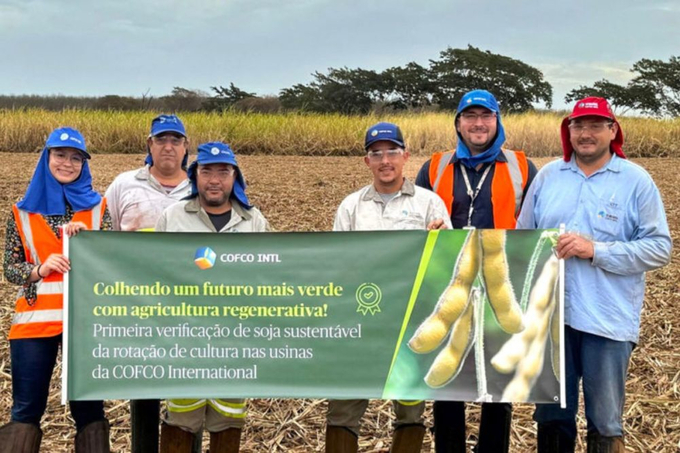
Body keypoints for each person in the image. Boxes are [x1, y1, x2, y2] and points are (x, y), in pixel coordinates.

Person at [516, 97, 672, 453]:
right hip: (552, 321)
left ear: (612, 130)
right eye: (578, 126)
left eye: (595, 125)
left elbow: (659, 248)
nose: (586, 134)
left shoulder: (635, 181)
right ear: (568, 131)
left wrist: (597, 251)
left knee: (605, 423)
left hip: (607, 320)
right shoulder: (548, 177)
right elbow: (523, 240)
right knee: (552, 418)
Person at [415, 89, 537, 453]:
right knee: (445, 383)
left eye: (486, 116)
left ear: (498, 121)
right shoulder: (435, 166)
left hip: (502, 280)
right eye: (470, 117)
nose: (478, 124)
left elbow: (535, 224)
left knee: (497, 382)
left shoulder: (522, 167)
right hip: (448, 281)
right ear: (458, 123)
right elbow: (419, 215)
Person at [326, 122, 451, 453]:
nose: (385, 160)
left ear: (405, 156)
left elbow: (447, 263)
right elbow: (338, 265)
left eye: (392, 152)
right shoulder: (351, 207)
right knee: (343, 408)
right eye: (376, 153)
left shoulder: (430, 204)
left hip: (412, 320)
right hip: (360, 322)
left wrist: (440, 241)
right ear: (366, 161)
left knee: (411, 409)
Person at [0, 127, 111, 452]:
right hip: (34, 324)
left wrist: (88, 244)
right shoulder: (20, 212)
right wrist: (38, 269)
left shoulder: (97, 208)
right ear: (46, 158)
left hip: (84, 324)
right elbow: (9, 268)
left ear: (84, 164)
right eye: (60, 155)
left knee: (90, 410)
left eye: (76, 158)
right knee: (26, 410)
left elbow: (112, 262)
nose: (67, 163)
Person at [156, 142, 270, 453]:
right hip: (184, 341)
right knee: (180, 420)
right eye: (207, 171)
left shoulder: (253, 221)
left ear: (235, 177)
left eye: (223, 172)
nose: (215, 180)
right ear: (195, 175)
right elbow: (155, 272)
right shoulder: (173, 216)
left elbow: (269, 277)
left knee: (228, 420)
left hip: (235, 341)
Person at [104, 114, 193, 453]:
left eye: (176, 140)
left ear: (186, 147)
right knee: (144, 387)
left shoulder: (199, 185)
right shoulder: (124, 184)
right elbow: (105, 238)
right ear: (149, 145)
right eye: (161, 140)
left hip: (190, 307)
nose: (168, 146)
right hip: (138, 307)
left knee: (188, 392)